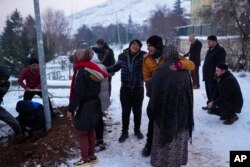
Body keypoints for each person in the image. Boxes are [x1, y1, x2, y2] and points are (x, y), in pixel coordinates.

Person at [142, 35, 195, 157]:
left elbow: (191, 64)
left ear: (157, 46)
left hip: (171, 94)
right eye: (147, 46)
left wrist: (180, 65)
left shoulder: (170, 53)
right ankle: (149, 144)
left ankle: (170, 146)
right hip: (156, 93)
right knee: (153, 119)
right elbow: (146, 77)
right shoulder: (146, 59)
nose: (148, 48)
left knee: (170, 119)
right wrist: (153, 83)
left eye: (150, 46)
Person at [67, 49, 108, 166]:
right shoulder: (93, 69)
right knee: (90, 129)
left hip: (86, 105)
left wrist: (71, 109)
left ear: (79, 58)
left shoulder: (81, 71)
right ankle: (92, 156)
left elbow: (78, 93)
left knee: (82, 131)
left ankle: (85, 160)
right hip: (95, 102)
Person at [107, 39, 146, 143]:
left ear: (139, 47)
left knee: (137, 111)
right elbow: (115, 67)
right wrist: (103, 69)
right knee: (125, 111)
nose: (135, 46)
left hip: (138, 88)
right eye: (133, 44)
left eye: (137, 45)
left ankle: (137, 130)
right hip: (125, 88)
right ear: (130, 45)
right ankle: (124, 132)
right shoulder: (122, 56)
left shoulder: (144, 56)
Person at [202, 35, 226, 110]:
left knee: (214, 93)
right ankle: (210, 105)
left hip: (213, 76)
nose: (208, 42)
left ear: (215, 41)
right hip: (207, 75)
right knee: (209, 92)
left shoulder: (220, 50)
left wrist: (217, 74)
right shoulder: (210, 49)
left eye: (209, 41)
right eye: (207, 41)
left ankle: (214, 106)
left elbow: (221, 64)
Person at [0, 66, 23, 139]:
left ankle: (19, 137)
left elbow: (2, 92)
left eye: (5, 79)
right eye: (1, 78)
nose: (3, 80)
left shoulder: (7, 84)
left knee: (15, 123)